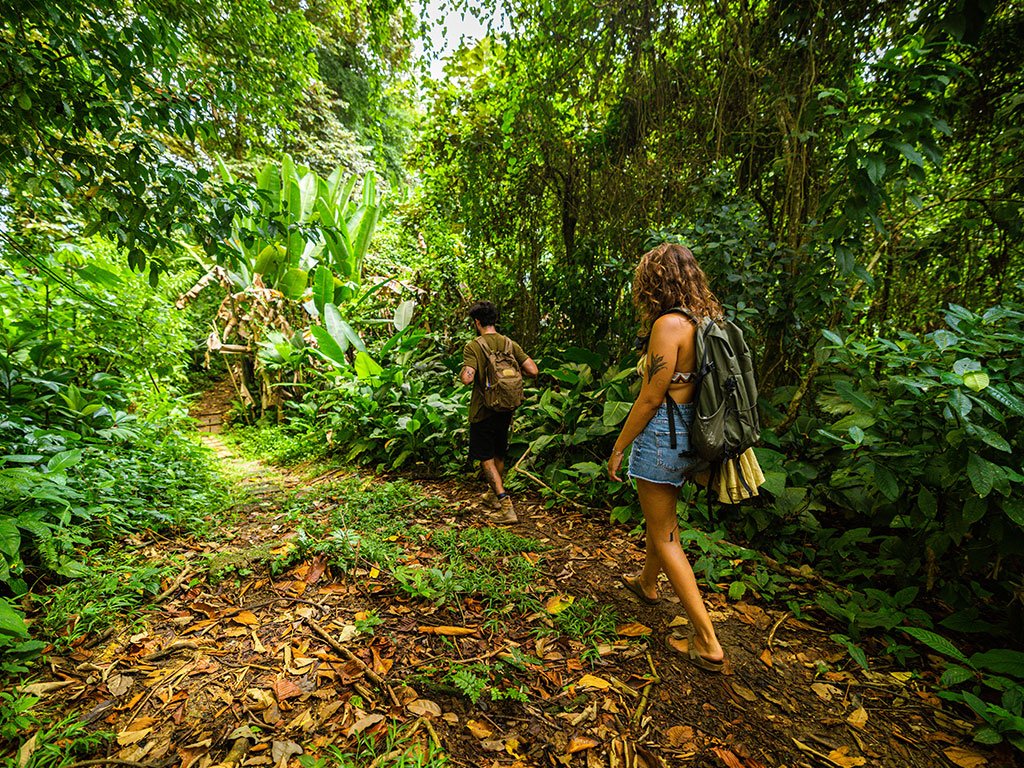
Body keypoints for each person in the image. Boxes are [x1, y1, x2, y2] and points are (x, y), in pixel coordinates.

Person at [607, 243, 727, 672]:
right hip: (694, 432)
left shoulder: (668, 325)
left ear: (655, 282)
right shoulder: (707, 320)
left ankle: (708, 639)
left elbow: (650, 397)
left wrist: (619, 446)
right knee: (662, 521)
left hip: (663, 435)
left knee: (665, 535)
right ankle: (647, 583)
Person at [460, 301, 538, 524]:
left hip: (483, 409)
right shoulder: (509, 343)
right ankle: (492, 496)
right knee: (498, 454)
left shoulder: (474, 346)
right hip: (506, 408)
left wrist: (464, 372)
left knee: (485, 458)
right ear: (494, 320)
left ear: (477, 322)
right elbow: (533, 370)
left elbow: (467, 378)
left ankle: (505, 506)